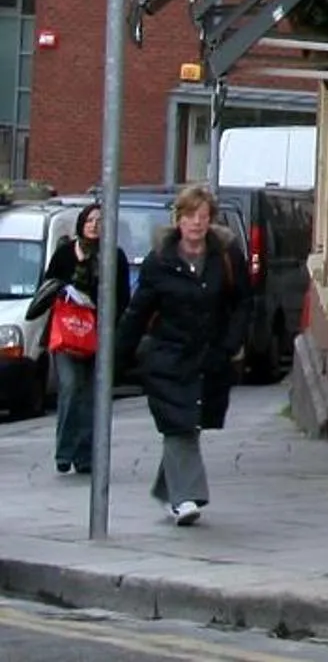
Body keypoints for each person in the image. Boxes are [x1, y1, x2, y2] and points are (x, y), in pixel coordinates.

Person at [116, 184, 248, 526]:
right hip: (168, 358)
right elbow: (138, 312)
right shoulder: (160, 261)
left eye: (203, 217)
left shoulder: (226, 257)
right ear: (178, 219)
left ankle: (168, 489)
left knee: (189, 422)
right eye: (190, 216)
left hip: (208, 360)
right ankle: (186, 497)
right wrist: (117, 357)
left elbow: (243, 304)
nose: (196, 223)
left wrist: (230, 345)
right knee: (180, 424)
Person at [36, 201, 129, 476]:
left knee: (91, 395)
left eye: (100, 221)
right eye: (90, 220)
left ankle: (85, 455)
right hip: (66, 333)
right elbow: (48, 285)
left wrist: (105, 318)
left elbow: (123, 297)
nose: (94, 225)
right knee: (69, 387)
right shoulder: (65, 253)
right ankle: (64, 452)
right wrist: (65, 293)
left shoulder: (115, 256)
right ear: (81, 223)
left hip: (97, 335)